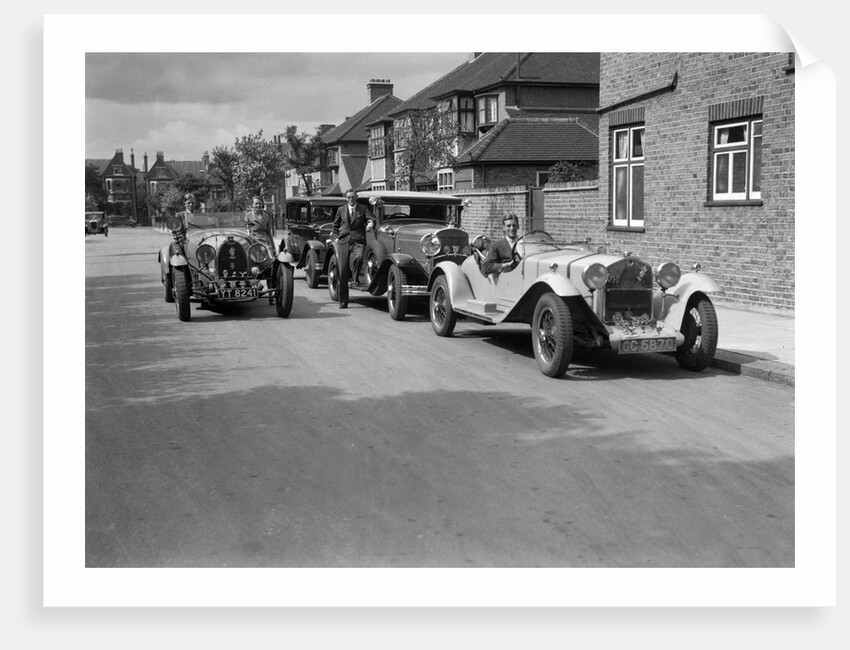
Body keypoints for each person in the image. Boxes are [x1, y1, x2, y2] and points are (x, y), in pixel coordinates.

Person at [331, 189, 374, 309]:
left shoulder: (363, 208)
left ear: (356, 198)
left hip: (358, 240)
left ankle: (355, 278)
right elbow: (335, 225)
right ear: (346, 198)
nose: (351, 199)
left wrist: (370, 223)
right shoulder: (341, 210)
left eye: (353, 197)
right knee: (342, 271)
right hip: (344, 240)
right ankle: (343, 301)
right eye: (349, 197)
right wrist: (335, 238)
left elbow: (370, 218)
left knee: (359, 257)